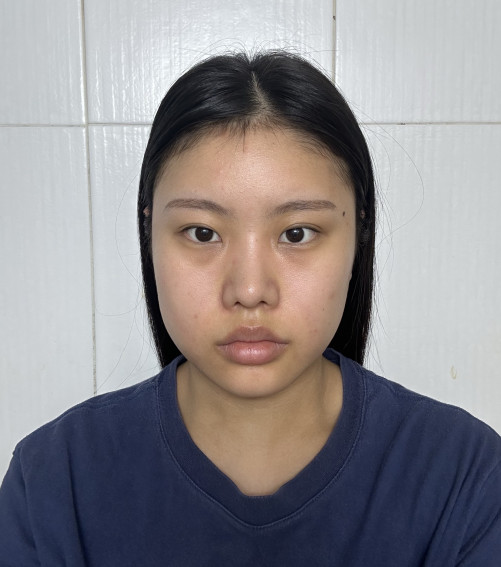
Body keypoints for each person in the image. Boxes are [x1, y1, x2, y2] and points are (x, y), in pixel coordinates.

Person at [0, 51, 500, 566]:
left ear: (359, 236)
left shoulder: (465, 480)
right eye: (202, 233)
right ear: (149, 234)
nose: (250, 289)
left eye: (297, 233)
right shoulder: (53, 484)